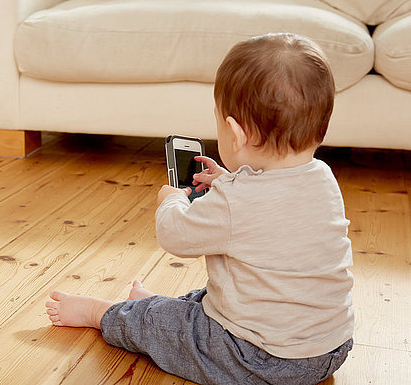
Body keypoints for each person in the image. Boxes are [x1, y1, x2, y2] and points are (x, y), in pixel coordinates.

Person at [45, 33, 354, 385]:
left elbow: (176, 235)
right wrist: (227, 180)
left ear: (235, 134)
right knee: (223, 291)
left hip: (259, 358)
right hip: (330, 348)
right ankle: (159, 306)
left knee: (163, 327)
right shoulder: (323, 177)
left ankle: (100, 313)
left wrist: (172, 200)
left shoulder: (236, 203)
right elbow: (269, 217)